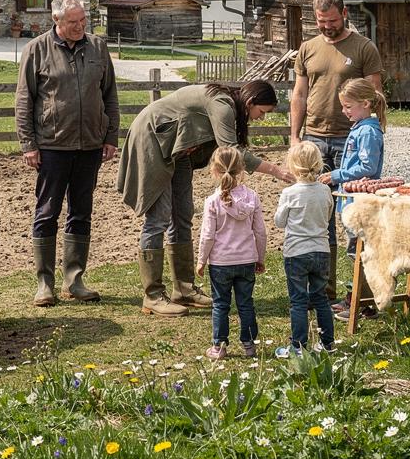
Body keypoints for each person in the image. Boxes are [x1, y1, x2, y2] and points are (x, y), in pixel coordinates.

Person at [117, 80, 287, 317]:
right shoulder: (223, 105)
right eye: (262, 112)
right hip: (154, 139)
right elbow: (231, 150)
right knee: (158, 218)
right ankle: (153, 295)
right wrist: (275, 170)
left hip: (179, 149)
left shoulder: (231, 106)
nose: (262, 118)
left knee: (183, 214)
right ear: (250, 102)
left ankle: (184, 289)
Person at [15, 0, 119, 306]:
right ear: (56, 21)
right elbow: (24, 101)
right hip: (51, 147)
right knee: (47, 213)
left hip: (89, 145)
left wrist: (110, 135)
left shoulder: (98, 47)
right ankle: (44, 283)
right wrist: (29, 144)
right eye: (73, 22)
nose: (80, 27)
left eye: (83, 20)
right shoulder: (36, 50)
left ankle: (75, 280)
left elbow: (110, 95)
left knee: (81, 212)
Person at [287, 0, 384, 292]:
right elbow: (299, 95)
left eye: (331, 20)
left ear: (344, 14)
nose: (326, 26)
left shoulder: (364, 48)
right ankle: (323, 286)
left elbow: (375, 95)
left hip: (350, 140)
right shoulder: (308, 48)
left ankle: (360, 289)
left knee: (353, 214)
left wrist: (375, 136)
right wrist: (294, 137)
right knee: (319, 214)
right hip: (315, 138)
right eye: (320, 21)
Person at [324, 77, 388, 316]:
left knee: (359, 251)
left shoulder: (368, 133)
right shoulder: (360, 129)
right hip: (352, 200)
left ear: (366, 104)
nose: (344, 111)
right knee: (356, 250)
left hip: (360, 202)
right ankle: (359, 298)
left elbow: (367, 167)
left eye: (348, 107)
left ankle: (361, 301)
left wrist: (336, 175)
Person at [196, 145, 266, 359]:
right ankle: (249, 345)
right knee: (246, 303)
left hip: (220, 262)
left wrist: (201, 260)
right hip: (246, 260)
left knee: (220, 304)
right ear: (242, 169)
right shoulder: (252, 197)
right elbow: (260, 232)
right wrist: (260, 257)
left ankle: (218, 346)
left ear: (215, 171)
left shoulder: (212, 201)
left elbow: (207, 235)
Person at [273, 142, 334, 356]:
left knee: (298, 300)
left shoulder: (290, 193)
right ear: (319, 164)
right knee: (320, 298)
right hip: (321, 250)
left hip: (297, 252)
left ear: (292, 166)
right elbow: (327, 216)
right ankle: (327, 343)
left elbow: (279, 222)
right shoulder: (325, 190)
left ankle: (298, 346)